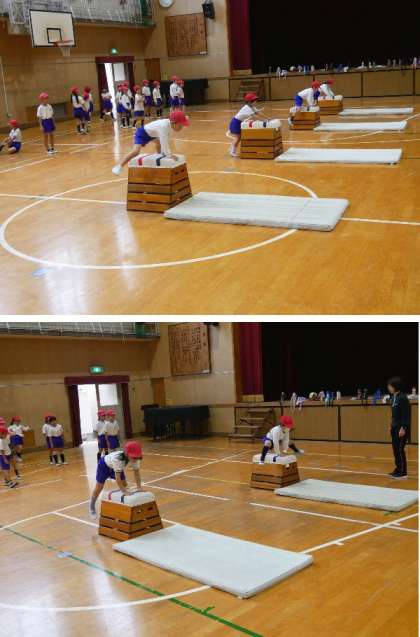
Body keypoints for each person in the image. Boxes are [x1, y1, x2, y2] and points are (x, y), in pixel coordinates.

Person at [112, 110, 189, 175]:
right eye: (181, 126)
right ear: (174, 122)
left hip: (152, 135)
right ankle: (119, 166)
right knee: (136, 151)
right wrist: (169, 155)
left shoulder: (170, 126)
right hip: (142, 133)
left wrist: (164, 155)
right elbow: (164, 142)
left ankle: (159, 158)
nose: (182, 128)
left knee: (159, 142)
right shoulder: (164, 126)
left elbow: (167, 140)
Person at [89, 440, 143, 518]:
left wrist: (139, 487)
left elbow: (137, 474)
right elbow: (118, 478)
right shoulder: (118, 459)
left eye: (137, 457)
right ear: (126, 454)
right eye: (133, 457)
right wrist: (124, 491)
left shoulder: (136, 459)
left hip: (115, 466)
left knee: (124, 484)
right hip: (104, 465)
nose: (135, 459)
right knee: (99, 487)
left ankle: (124, 505)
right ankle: (92, 508)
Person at [227, 92, 268, 157]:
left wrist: (268, 118)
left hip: (239, 122)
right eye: (254, 100)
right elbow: (254, 116)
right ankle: (232, 151)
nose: (256, 102)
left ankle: (231, 148)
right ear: (249, 101)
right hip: (235, 122)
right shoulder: (247, 108)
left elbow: (258, 113)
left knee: (238, 137)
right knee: (238, 137)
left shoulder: (252, 107)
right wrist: (264, 120)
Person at [387, 377, 410, 479]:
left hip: (401, 429)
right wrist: (391, 425)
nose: (388, 387)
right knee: (395, 449)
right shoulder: (393, 397)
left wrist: (403, 428)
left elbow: (406, 415)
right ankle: (398, 469)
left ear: (395, 386)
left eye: (390, 386)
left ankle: (403, 473)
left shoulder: (403, 398)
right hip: (394, 428)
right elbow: (394, 415)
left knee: (400, 450)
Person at [0, 421, 19, 488]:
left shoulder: (3, 439)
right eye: (5, 434)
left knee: (7, 469)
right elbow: (1, 451)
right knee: (6, 470)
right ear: (1, 434)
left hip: (7, 454)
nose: (6, 435)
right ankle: (10, 483)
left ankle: (8, 482)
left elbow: (7, 446)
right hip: (4, 456)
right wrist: (5, 459)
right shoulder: (0, 441)